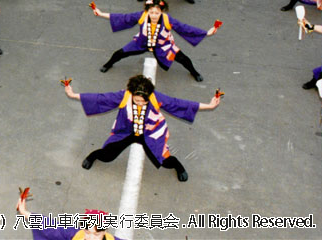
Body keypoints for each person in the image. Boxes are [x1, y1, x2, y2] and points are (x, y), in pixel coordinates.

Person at [65, 74, 220, 181]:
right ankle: (92, 156)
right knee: (107, 156)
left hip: (149, 133)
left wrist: (209, 105)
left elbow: (178, 104)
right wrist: (74, 95)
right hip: (127, 131)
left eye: (143, 101)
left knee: (163, 161)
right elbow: (100, 98)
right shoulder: (124, 96)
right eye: (137, 100)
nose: (140, 103)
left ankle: (178, 167)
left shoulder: (155, 97)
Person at [91, 0, 220, 81]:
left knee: (183, 59)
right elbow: (123, 17)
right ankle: (108, 64)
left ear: (162, 12)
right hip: (142, 42)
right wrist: (101, 13)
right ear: (147, 11)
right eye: (151, 12)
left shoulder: (167, 19)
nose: (153, 15)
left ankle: (194, 72)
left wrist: (206, 33)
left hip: (163, 45)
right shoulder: (141, 16)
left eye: (157, 13)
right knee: (120, 53)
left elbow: (185, 28)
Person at [16, 200, 124, 240]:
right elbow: (51, 227)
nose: (90, 238)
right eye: (87, 232)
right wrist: (25, 212)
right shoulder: (76, 235)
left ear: (105, 231)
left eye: (96, 235)